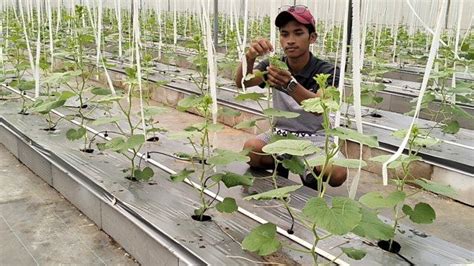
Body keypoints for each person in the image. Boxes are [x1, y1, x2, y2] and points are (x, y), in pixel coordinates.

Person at [235, 5, 347, 188]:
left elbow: (320, 108)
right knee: (250, 150)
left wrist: (290, 85)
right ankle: (287, 163)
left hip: (314, 138)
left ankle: (305, 168)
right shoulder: (274, 65)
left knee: (337, 173)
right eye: (285, 34)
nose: (290, 40)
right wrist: (249, 58)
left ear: (312, 38)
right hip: (280, 134)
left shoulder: (327, 71)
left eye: (298, 33)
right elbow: (242, 83)